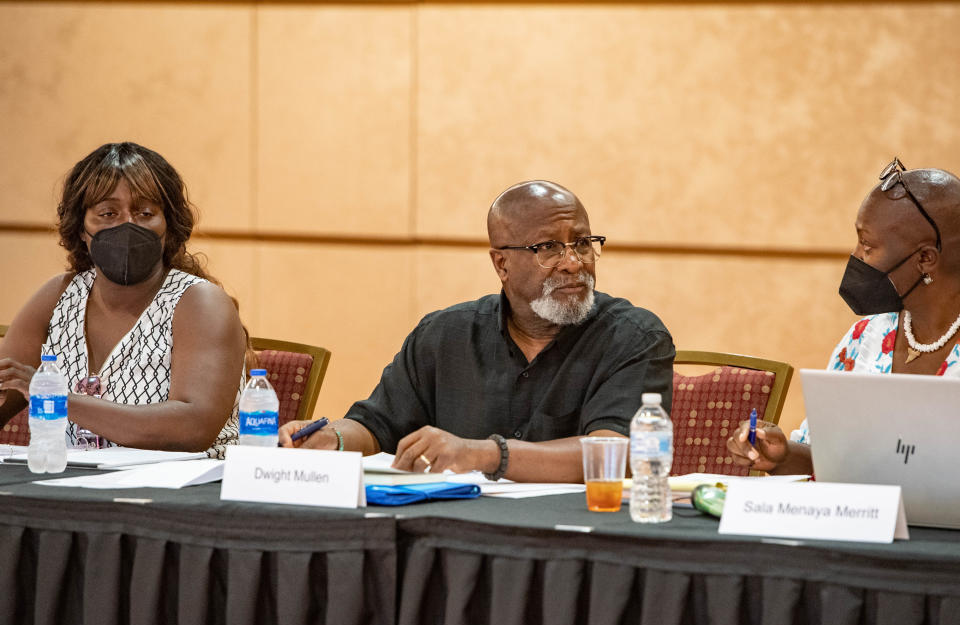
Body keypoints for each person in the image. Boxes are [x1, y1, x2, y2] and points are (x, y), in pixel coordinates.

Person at [280, 180, 675, 482]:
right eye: (549, 248)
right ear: (501, 264)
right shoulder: (444, 335)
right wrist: (334, 439)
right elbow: (376, 425)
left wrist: (487, 454)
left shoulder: (633, 336)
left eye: (583, 243)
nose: (573, 262)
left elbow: (618, 454)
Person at [0, 142, 247, 458]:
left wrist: (57, 398)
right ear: (80, 229)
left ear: (169, 226)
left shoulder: (200, 303)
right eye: (108, 213)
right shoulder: (58, 295)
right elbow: (10, 388)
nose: (127, 224)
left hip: (187, 493)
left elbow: (191, 430)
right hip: (72, 491)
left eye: (145, 212)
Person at [727, 159, 960, 475]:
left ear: (924, 259)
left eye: (867, 246)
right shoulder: (865, 336)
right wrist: (780, 455)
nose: (855, 257)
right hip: (862, 520)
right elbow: (826, 458)